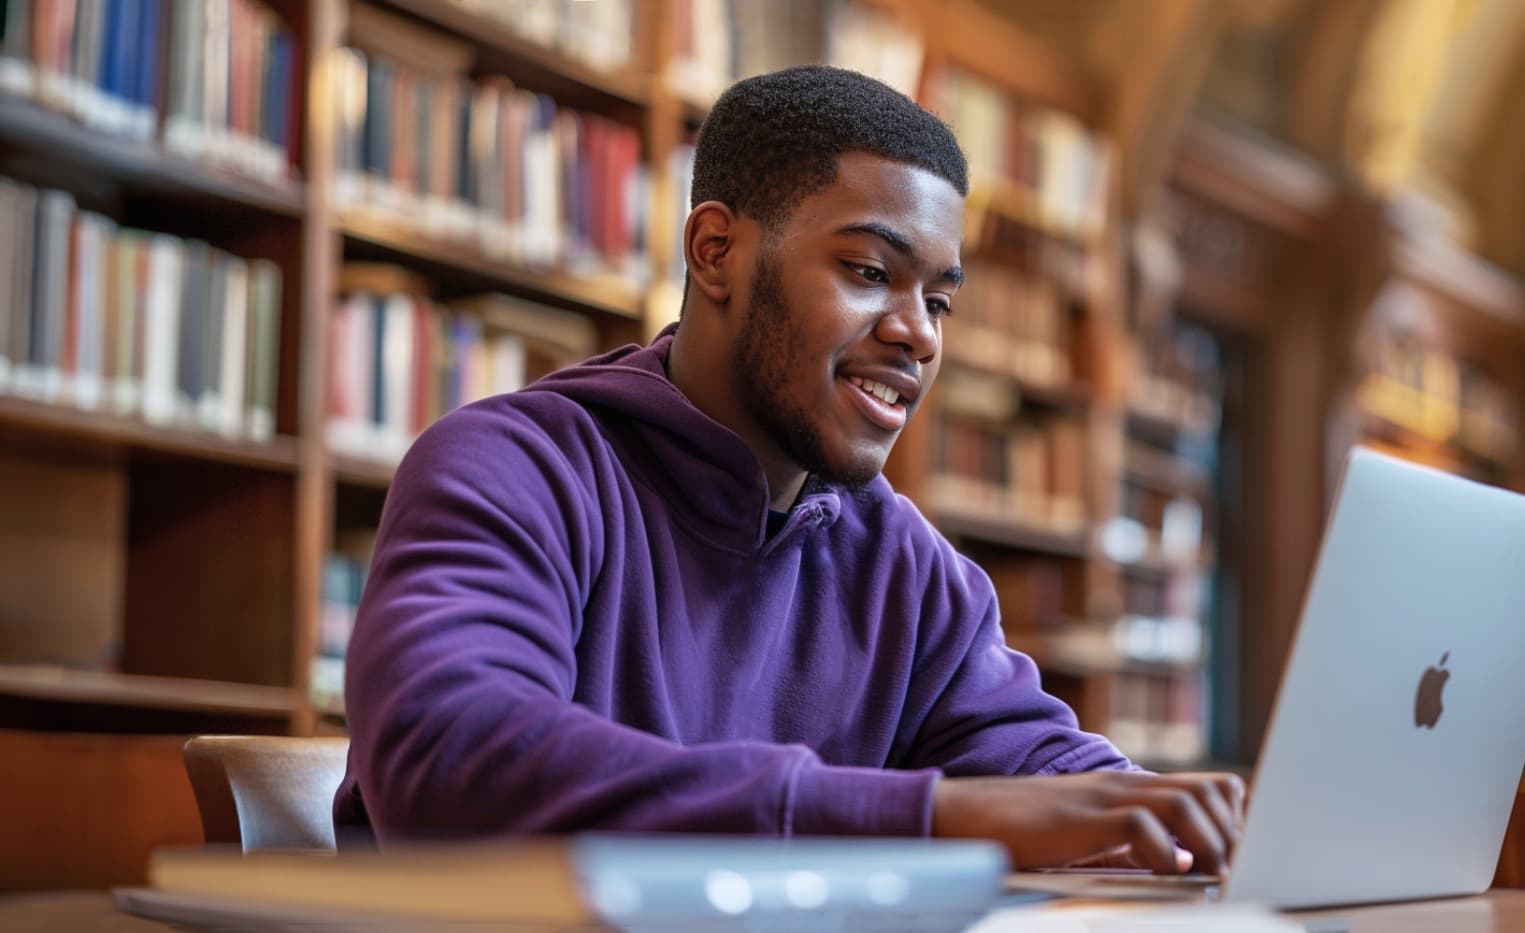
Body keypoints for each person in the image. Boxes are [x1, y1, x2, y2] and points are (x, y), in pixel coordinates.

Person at [334, 65, 1244, 876]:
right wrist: (928, 817)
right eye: (867, 269)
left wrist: (1178, 818)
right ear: (716, 252)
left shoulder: (907, 567)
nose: (919, 334)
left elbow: (1048, 774)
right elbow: (451, 762)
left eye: (938, 300)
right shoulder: (512, 469)